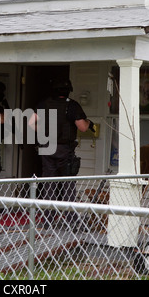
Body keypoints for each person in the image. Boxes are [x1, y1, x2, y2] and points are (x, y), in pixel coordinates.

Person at [28, 78, 95, 229]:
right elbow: (83, 127)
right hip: (65, 149)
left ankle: (48, 220)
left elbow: (31, 123)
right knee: (68, 184)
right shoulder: (71, 105)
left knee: (48, 184)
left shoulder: (44, 103)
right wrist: (89, 123)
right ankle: (71, 219)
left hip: (47, 147)